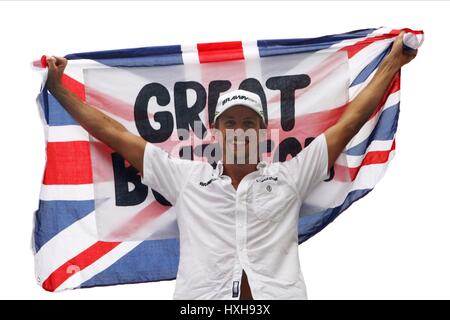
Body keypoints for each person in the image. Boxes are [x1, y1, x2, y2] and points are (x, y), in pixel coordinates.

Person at [44, 32, 417, 300]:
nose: (240, 130)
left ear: (262, 132)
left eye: (249, 123)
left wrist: (392, 62)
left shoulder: (291, 176)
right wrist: (60, 89)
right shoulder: (186, 178)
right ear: (216, 132)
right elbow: (111, 132)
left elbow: (349, 122)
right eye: (231, 123)